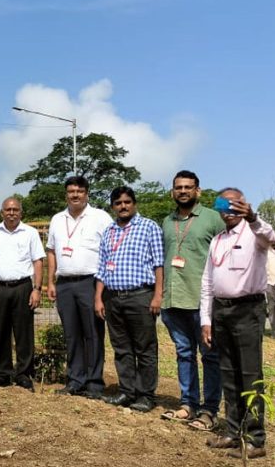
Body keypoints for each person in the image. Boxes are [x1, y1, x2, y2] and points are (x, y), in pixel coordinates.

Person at [201, 189, 275, 459]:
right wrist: (206, 319)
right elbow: (207, 282)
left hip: (248, 309)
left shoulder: (254, 234)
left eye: (235, 205)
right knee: (228, 374)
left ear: (244, 205)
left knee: (250, 375)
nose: (229, 211)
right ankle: (233, 431)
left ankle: (255, 438)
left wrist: (253, 217)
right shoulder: (218, 240)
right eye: (224, 205)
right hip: (221, 311)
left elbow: (272, 237)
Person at [159, 170, 226, 430]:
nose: (183, 191)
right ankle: (188, 405)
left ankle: (209, 411)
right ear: (173, 192)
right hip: (174, 300)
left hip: (203, 301)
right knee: (184, 354)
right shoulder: (167, 221)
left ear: (197, 190)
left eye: (188, 187)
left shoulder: (213, 219)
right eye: (178, 187)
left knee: (209, 356)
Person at [95, 186, 164, 413]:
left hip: (140, 296)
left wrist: (157, 295)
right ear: (113, 206)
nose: (123, 206)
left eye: (127, 202)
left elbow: (158, 264)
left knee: (144, 348)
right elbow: (102, 268)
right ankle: (126, 391)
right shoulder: (109, 231)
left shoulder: (149, 227)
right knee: (121, 348)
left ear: (134, 203)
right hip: (113, 297)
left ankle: (145, 395)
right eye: (118, 203)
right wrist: (99, 298)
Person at [45, 176, 112, 399]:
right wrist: (50, 281)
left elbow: (111, 249)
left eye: (80, 191)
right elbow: (52, 251)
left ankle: (94, 383)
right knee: (72, 334)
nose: (75, 195)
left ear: (87, 194)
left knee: (93, 333)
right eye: (71, 191)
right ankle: (75, 380)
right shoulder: (57, 219)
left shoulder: (100, 217)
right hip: (64, 283)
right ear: (66, 194)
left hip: (90, 282)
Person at [0, 196, 44, 390]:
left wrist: (37, 289)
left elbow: (38, 261)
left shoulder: (30, 233)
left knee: (24, 333)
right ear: (2, 213)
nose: (12, 213)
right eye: (8, 209)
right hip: (0, 287)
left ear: (21, 212)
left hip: (23, 287)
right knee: (1, 332)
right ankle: (2, 373)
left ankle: (24, 374)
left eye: (15, 209)